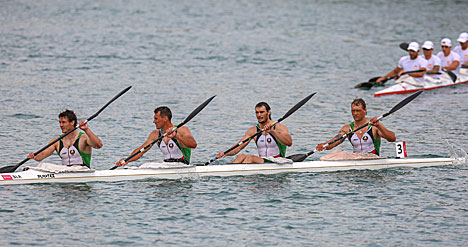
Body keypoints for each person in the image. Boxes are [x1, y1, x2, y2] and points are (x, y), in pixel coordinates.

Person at [115, 106, 197, 167]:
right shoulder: (155, 134)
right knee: (146, 166)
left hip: (183, 166)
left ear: (165, 118)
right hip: (167, 166)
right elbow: (141, 150)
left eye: (156, 119)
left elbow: (193, 144)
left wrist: (176, 137)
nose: (153, 121)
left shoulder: (181, 130)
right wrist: (127, 160)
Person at [216, 102, 292, 164]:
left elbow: (289, 143)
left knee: (250, 158)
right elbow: (239, 147)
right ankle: (231, 176)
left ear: (268, 112)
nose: (259, 115)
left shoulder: (279, 127)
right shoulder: (253, 130)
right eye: (257, 112)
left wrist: (272, 131)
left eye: (262, 112)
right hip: (263, 160)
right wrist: (225, 153)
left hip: (277, 161)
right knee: (240, 156)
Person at [316, 98, 396, 156]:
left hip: (373, 159)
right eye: (353, 111)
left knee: (342, 154)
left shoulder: (374, 126)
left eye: (358, 111)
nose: (355, 113)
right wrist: (324, 145)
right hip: (356, 159)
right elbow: (335, 141)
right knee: (335, 152)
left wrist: (379, 125)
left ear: (365, 110)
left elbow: (392, 138)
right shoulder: (347, 128)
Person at [27, 109, 103, 168]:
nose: (61, 125)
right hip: (65, 171)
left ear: (72, 122)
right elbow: (42, 156)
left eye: (63, 122)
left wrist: (86, 130)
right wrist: (34, 156)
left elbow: (98, 145)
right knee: (42, 165)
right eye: (59, 122)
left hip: (82, 171)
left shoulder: (83, 138)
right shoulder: (57, 141)